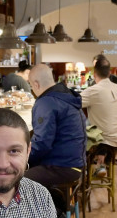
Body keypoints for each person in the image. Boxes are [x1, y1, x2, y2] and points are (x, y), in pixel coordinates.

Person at [26, 64, 86, 192]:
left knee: (16, 180)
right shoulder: (66, 95)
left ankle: (45, 210)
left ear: (36, 84)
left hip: (62, 166)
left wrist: (22, 159)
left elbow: (42, 143)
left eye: (31, 86)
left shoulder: (46, 102)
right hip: (76, 163)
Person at [81, 58, 117, 177]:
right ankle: (101, 163)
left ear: (94, 74)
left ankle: (84, 173)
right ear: (109, 73)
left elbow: (71, 103)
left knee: (78, 134)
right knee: (91, 126)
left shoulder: (93, 90)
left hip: (105, 139)